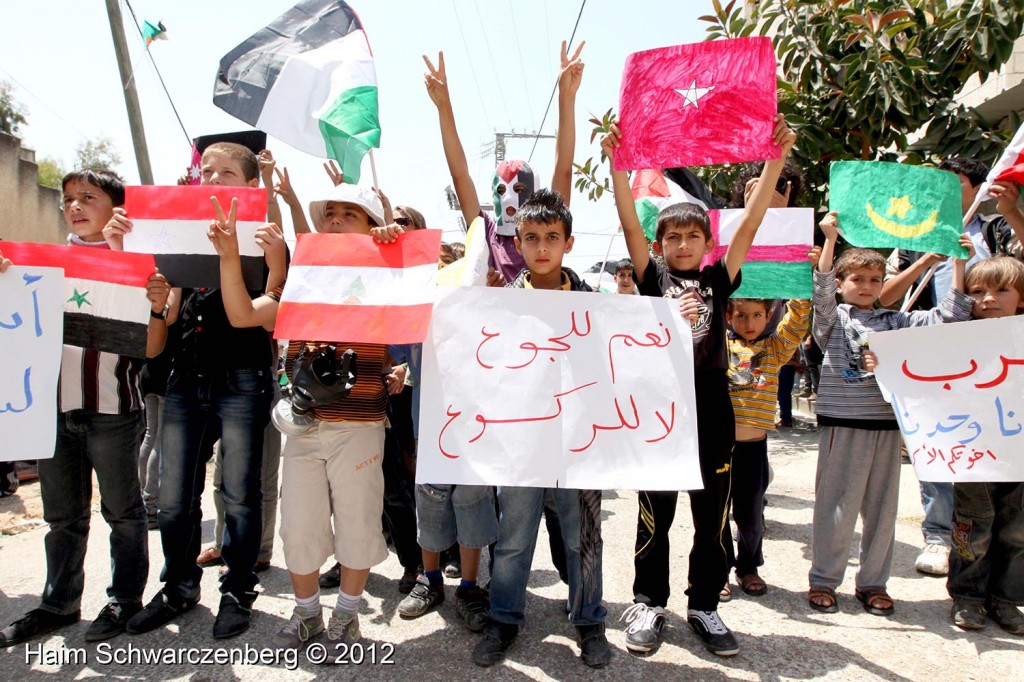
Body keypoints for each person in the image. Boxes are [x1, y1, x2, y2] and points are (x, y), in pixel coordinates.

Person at [604, 112, 796, 657]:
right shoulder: (650, 278)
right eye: (673, 236)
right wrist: (620, 160)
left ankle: (705, 604)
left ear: (707, 242)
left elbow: (754, 220)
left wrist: (774, 158)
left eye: (692, 236)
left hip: (712, 404)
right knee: (654, 512)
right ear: (660, 243)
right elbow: (626, 220)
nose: (682, 244)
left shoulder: (718, 277)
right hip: (660, 408)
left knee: (711, 515)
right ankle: (648, 601)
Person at [209, 182, 405, 656]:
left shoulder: (389, 277)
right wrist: (230, 255)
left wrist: (395, 246)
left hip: (359, 425)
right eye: (329, 212)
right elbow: (240, 314)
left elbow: (421, 307)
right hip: (303, 425)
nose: (335, 219)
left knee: (358, 521)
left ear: (371, 226)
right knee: (298, 524)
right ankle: (308, 613)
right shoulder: (300, 281)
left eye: (349, 214)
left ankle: (347, 616)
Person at [113, 142, 278, 640]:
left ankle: (237, 590)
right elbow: (151, 294)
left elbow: (252, 312)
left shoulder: (270, 242)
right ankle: (180, 587)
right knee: (172, 497)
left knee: (240, 495)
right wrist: (125, 245)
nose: (213, 179)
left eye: (227, 173)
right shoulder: (176, 233)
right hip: (184, 376)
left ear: (251, 187)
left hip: (243, 379)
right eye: (206, 171)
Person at [0, 169, 171, 647]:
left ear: (116, 207)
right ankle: (58, 604)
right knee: (62, 516)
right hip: (50, 409)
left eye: (87, 197)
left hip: (114, 408)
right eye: (68, 199)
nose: (74, 206)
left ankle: (123, 600)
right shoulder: (40, 266)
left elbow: (154, 348)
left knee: (122, 511)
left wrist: (154, 302)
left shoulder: (143, 263)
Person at [466, 188, 609, 669]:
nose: (542, 247)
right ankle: (503, 619)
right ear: (518, 244)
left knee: (583, 536)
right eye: (531, 238)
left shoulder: (596, 304)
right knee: (513, 537)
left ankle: (590, 621)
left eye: (552, 237)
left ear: (569, 242)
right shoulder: (500, 304)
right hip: (519, 442)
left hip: (579, 442)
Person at [806, 212, 974, 617]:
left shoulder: (899, 321)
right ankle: (824, 580)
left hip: (885, 426)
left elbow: (950, 317)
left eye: (874, 280)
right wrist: (829, 241)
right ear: (843, 284)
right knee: (835, 507)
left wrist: (957, 262)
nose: (865, 287)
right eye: (856, 279)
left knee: (882, 511)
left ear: (884, 286)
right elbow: (822, 294)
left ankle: (873, 584)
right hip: (841, 426)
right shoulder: (833, 322)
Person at [880, 158, 1024, 578]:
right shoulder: (912, 238)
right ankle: (940, 536)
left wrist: (1012, 212)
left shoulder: (997, 229)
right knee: (945, 447)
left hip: (1003, 366)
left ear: (977, 189)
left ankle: (1001, 576)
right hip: (940, 358)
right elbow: (888, 298)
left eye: (953, 182)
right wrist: (923, 261)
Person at [723, 266, 815, 598]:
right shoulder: (719, 347)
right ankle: (718, 570)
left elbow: (798, 321)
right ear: (729, 317)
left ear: (769, 315)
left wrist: (799, 282)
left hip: (753, 450)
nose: (749, 323)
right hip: (718, 449)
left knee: (749, 516)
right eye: (741, 315)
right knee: (716, 516)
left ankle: (748, 566)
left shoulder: (776, 350)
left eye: (756, 315)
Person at [946, 257, 1024, 634]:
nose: (988, 298)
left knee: (1016, 529)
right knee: (972, 526)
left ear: (1021, 298)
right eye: (978, 291)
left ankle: (1006, 599)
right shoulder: (954, 337)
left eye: (1001, 290)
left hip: (1019, 453)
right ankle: (968, 595)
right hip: (972, 452)